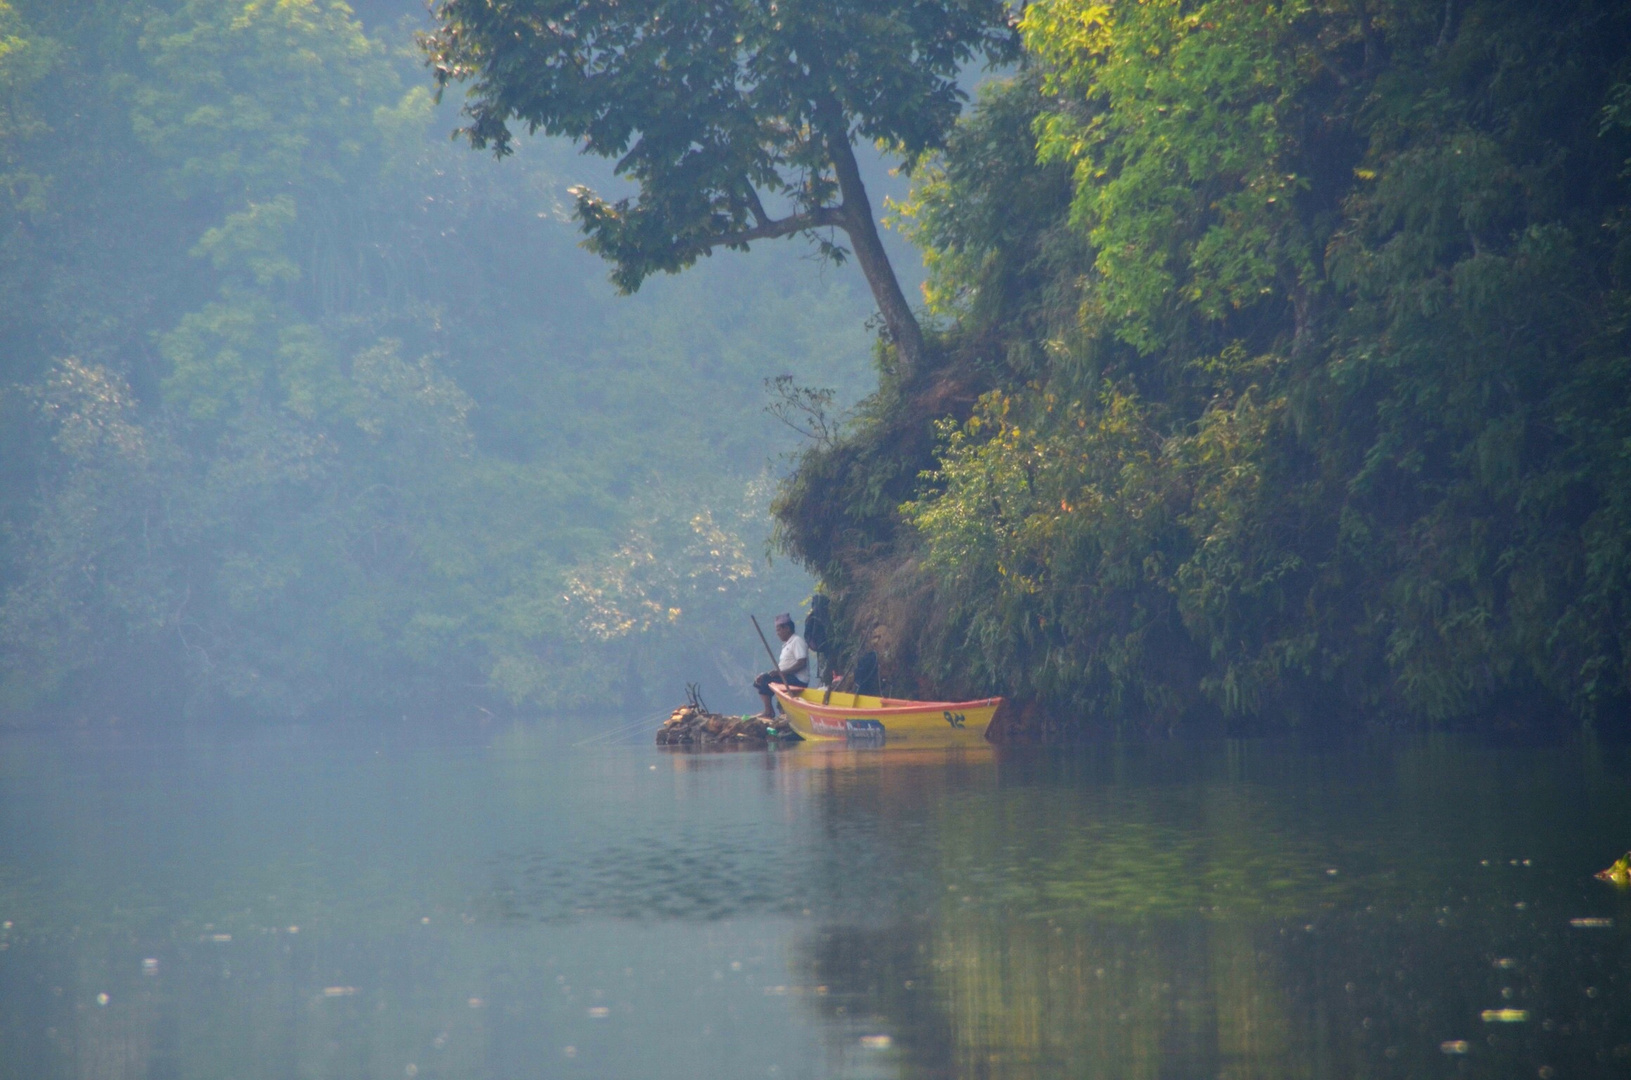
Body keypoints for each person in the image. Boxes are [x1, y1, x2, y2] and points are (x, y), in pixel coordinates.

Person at [754, 613, 808, 718]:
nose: (777, 633)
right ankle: (769, 710)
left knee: (765, 679)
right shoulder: (786, 644)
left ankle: (768, 712)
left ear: (787, 628)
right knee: (760, 680)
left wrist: (780, 673)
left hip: (798, 680)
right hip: (787, 676)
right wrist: (775, 673)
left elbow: (802, 663)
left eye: (779, 630)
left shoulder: (797, 641)